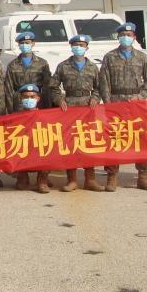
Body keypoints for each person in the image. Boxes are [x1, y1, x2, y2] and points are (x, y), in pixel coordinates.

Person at [98, 22, 147, 192]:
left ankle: (143, 177)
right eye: (123, 35)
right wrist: (107, 103)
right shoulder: (110, 57)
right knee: (114, 138)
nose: (126, 37)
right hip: (116, 101)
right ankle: (112, 176)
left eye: (129, 35)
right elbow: (104, 82)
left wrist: (141, 96)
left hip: (136, 102)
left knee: (141, 138)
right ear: (118, 37)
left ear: (134, 37)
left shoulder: (142, 57)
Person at [49, 35, 104, 193]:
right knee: (70, 142)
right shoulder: (63, 66)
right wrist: (59, 99)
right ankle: (72, 179)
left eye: (81, 44)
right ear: (71, 47)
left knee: (89, 142)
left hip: (88, 107)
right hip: (70, 106)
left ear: (87, 47)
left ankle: (90, 179)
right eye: (75, 44)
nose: (78, 47)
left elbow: (100, 86)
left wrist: (95, 98)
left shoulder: (93, 67)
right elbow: (53, 86)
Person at [13, 84, 50, 194]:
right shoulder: (15, 117)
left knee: (49, 148)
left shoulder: (46, 116)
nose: (29, 99)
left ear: (38, 98)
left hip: (40, 148)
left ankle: (42, 180)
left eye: (32, 97)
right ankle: (22, 177)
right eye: (26, 97)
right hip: (23, 149)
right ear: (21, 99)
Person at [5, 32, 53, 109]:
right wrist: (10, 109)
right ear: (19, 45)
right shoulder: (12, 65)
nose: (24, 45)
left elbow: (47, 86)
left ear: (33, 44)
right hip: (19, 103)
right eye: (22, 43)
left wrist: (48, 105)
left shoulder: (42, 63)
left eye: (27, 43)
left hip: (37, 102)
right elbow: (8, 89)